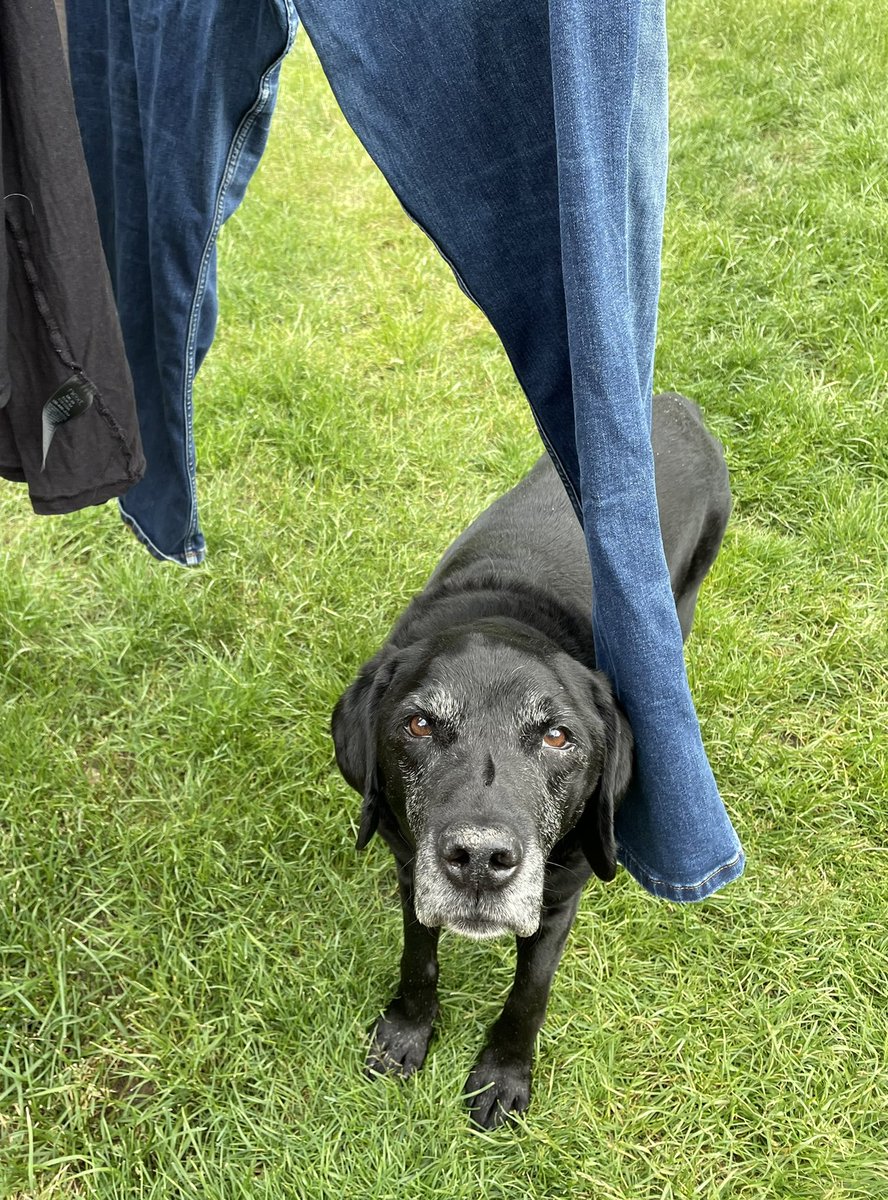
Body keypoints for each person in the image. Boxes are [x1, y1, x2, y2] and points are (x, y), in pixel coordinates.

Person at [65, 0, 744, 901]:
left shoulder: (586, 778)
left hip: (675, 486)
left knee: (653, 607)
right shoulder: (401, 738)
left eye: (556, 739)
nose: (479, 837)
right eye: (422, 729)